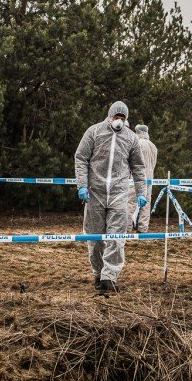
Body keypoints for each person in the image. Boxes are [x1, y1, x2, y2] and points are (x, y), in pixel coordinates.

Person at [74, 101, 147, 294]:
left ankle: (110, 277)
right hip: (95, 193)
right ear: (109, 116)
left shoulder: (131, 138)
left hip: (119, 194)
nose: (119, 121)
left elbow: (138, 167)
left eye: (123, 118)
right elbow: (81, 157)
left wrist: (141, 192)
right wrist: (82, 185)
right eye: (117, 117)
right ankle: (98, 273)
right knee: (95, 237)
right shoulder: (94, 132)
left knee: (116, 237)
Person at [126, 124, 158, 232]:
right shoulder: (153, 146)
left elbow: (132, 161)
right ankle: (143, 228)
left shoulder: (137, 143)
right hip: (150, 178)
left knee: (131, 202)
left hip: (137, 177)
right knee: (146, 203)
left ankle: (127, 227)